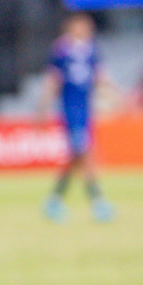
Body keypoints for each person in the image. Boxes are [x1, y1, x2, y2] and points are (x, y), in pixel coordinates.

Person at [41, 12, 117, 222]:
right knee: (85, 154)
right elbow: (53, 81)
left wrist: (115, 96)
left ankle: (54, 200)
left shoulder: (91, 50)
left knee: (76, 157)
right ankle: (98, 202)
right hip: (71, 111)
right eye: (81, 26)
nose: (85, 29)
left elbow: (99, 78)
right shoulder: (61, 50)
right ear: (71, 27)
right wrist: (43, 106)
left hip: (86, 111)